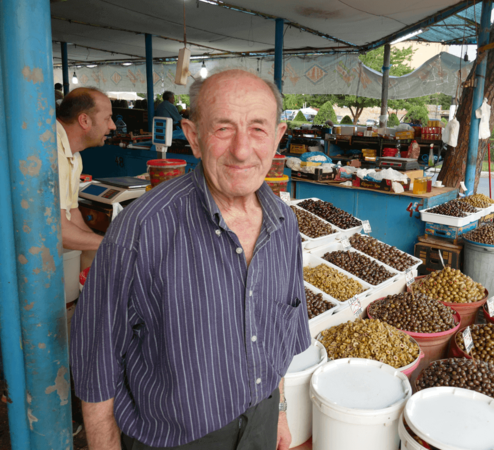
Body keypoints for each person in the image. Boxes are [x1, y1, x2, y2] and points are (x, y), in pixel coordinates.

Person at [71, 69, 310, 450]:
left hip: (260, 423)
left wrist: (278, 409)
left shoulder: (285, 225)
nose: (243, 149)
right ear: (194, 137)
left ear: (278, 137)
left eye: (258, 129)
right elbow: (95, 365)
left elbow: (277, 336)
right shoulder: (142, 229)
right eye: (223, 128)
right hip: (176, 439)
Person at [56, 87, 116, 250]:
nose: (113, 126)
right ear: (84, 121)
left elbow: (72, 213)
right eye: (108, 118)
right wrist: (115, 246)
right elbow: (57, 231)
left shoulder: (74, 155)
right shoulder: (52, 152)